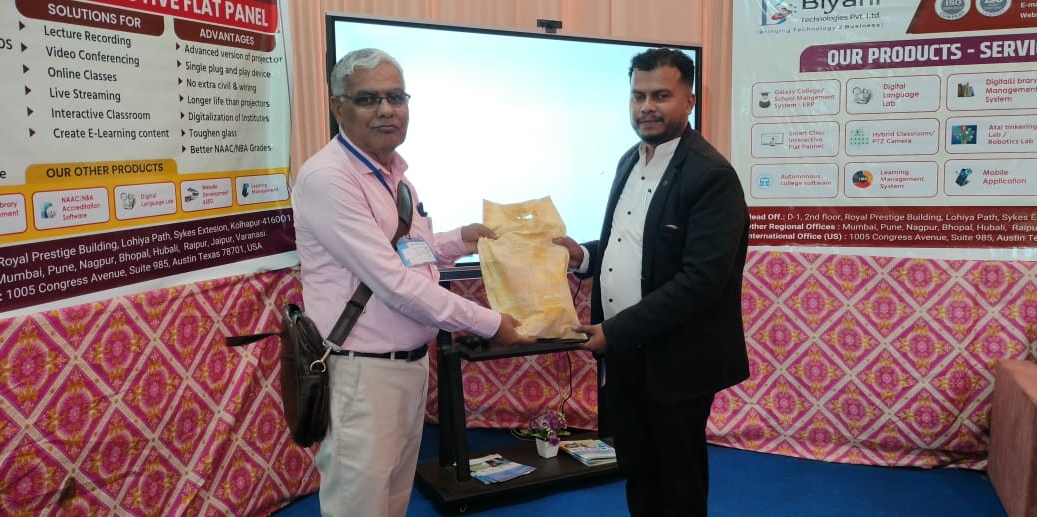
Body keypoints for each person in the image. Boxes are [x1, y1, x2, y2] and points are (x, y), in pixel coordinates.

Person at [292, 48, 533, 516]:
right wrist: (489, 323)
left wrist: (459, 240)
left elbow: (408, 253)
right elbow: (395, 283)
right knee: (359, 505)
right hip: (362, 374)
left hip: (408, 366)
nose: (386, 110)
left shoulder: (396, 176)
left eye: (396, 97)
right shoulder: (328, 178)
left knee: (392, 500)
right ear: (338, 107)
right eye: (368, 99)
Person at [554, 48, 750, 516]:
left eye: (661, 95)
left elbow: (700, 282)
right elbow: (632, 245)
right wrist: (583, 256)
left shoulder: (712, 176)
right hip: (625, 355)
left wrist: (614, 332)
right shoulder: (630, 159)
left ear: (690, 101)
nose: (647, 107)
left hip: (677, 360)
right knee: (637, 468)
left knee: (678, 480)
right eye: (638, 96)